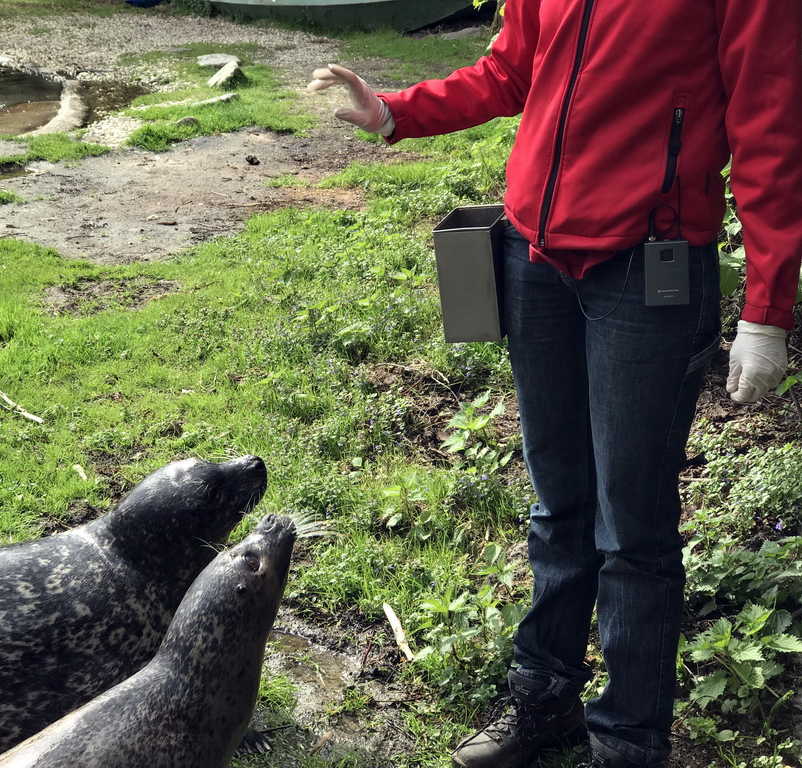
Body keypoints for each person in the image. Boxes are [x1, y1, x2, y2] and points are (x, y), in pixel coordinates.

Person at [309, 2, 802, 767]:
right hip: (533, 261)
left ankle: (629, 742)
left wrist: (766, 311)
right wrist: (392, 111)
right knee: (557, 500)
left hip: (650, 268)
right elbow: (511, 70)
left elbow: (771, 123)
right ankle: (544, 703)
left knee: (632, 526)